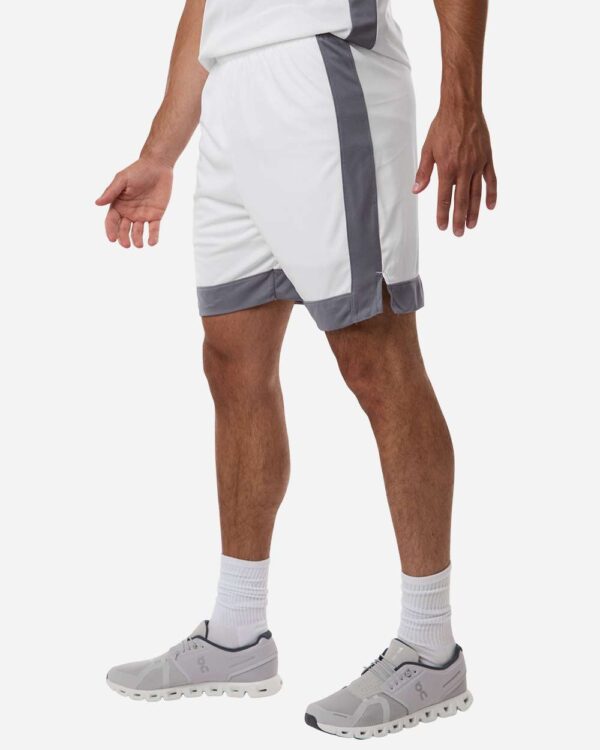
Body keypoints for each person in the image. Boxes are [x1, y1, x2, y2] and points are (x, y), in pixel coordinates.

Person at [97, 0, 496, 738]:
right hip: (231, 94)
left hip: (326, 71)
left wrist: (462, 101)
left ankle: (430, 648)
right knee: (231, 361)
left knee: (375, 360)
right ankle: (237, 634)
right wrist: (159, 153)